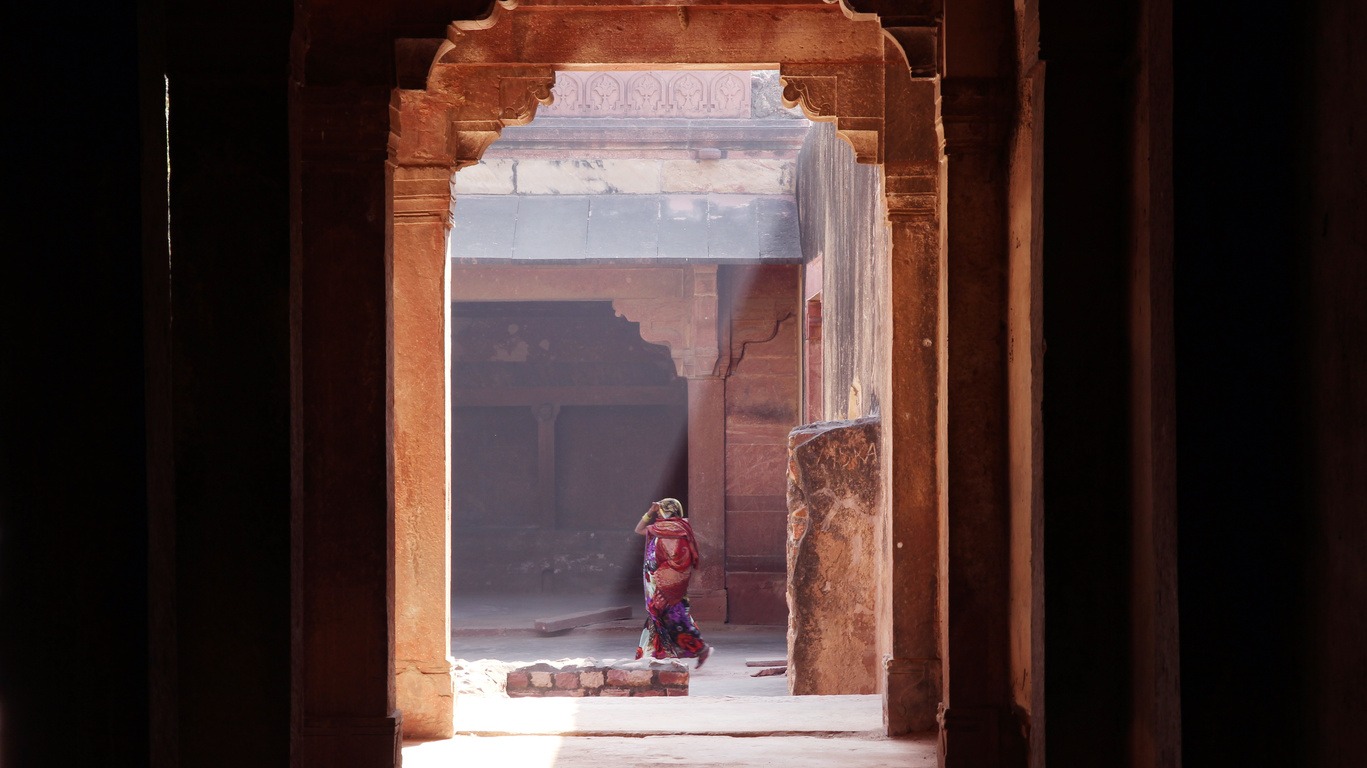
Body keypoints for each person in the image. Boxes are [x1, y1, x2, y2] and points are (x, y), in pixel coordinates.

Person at [633, 498, 712, 666]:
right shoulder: (679, 528)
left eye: (660, 509)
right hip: (664, 581)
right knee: (671, 616)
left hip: (665, 582)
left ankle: (661, 654)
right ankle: (658, 653)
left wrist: (650, 512)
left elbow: (638, 529)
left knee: (670, 616)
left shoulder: (665, 529)